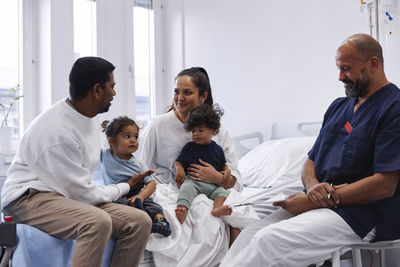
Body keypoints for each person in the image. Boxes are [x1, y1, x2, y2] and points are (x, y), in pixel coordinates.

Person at [220, 33, 400, 266]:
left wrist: (315, 200)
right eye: (338, 68)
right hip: (321, 200)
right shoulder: (338, 107)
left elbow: (385, 185)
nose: (340, 77)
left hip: (363, 213)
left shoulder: (393, 107)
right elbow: (310, 161)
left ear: (373, 64)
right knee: (250, 235)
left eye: (346, 69)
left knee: (269, 240)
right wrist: (313, 187)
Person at [1, 57, 152, 267]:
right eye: (112, 87)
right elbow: (83, 194)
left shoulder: (86, 115)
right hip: (27, 198)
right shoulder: (59, 130)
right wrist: (124, 187)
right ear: (97, 90)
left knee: (139, 221)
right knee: (96, 222)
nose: (115, 93)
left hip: (60, 193)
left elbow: (79, 187)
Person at [139, 67, 243, 264]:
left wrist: (219, 178)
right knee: (181, 217)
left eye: (187, 92)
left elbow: (236, 179)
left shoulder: (218, 131)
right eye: (177, 91)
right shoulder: (158, 126)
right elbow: (143, 170)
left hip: (212, 192)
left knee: (232, 219)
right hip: (171, 190)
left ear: (203, 96)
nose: (179, 98)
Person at [100, 116, 171, 236]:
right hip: (116, 193)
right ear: (112, 141)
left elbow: (151, 184)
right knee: (120, 206)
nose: (133, 140)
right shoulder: (105, 155)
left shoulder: (139, 164)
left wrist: (141, 196)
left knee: (152, 205)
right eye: (127, 136)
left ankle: (161, 222)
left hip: (135, 193)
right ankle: (141, 216)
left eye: (136, 137)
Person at [174, 104, 233, 224]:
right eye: (193, 131)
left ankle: (216, 208)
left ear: (213, 130)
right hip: (193, 181)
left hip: (212, 185)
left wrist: (227, 171)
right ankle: (183, 208)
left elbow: (224, 165)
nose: (196, 134)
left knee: (223, 193)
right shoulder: (189, 147)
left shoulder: (217, 149)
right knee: (186, 189)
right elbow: (178, 162)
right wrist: (179, 169)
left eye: (200, 130)